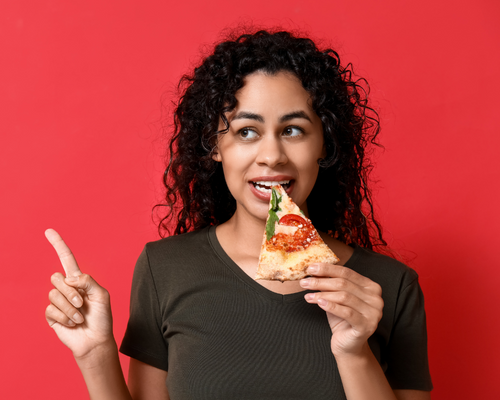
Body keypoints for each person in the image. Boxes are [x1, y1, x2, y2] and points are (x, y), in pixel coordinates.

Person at [45, 30, 432, 400]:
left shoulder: (390, 287)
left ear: (325, 144)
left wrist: (353, 351)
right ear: (216, 147)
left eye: (294, 130)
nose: (272, 155)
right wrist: (94, 352)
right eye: (247, 131)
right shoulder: (164, 269)